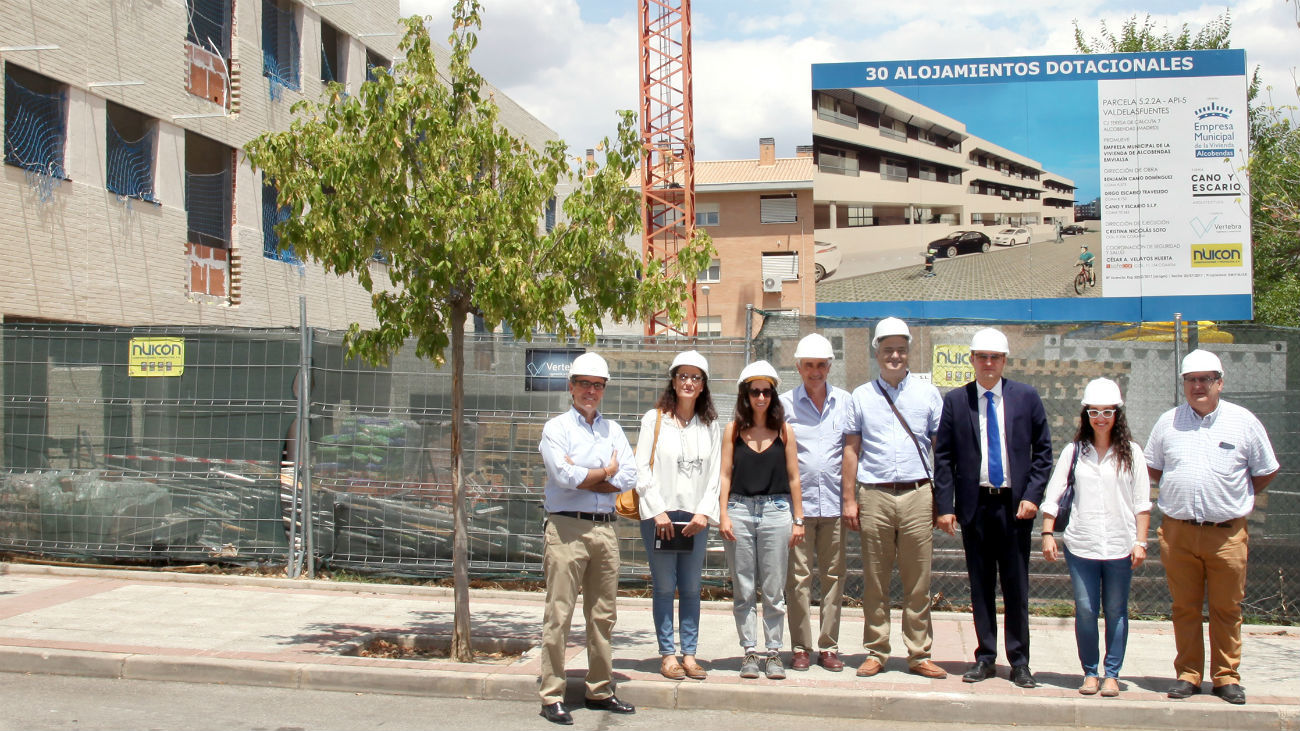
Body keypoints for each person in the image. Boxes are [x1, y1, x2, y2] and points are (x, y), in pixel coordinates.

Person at [1146, 349, 1278, 705]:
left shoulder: (1244, 422)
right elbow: (1153, 468)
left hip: (1227, 535)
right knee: (1184, 607)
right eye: (1191, 380)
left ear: (1220, 382)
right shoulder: (1168, 422)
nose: (1198, 386)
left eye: (1206, 379)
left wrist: (1234, 498)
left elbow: (1266, 470)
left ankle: (1226, 677)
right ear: (1184, 384)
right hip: (1179, 532)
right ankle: (1188, 674)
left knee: (1227, 608)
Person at [933, 327, 1052, 688]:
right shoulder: (956, 401)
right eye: (982, 356)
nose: (988, 363)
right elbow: (944, 457)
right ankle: (985, 657)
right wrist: (945, 506)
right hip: (976, 507)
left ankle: (1019, 661)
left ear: (1004, 361)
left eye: (995, 357)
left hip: (1015, 508)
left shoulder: (1026, 397)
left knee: (1016, 587)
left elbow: (1043, 453)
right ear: (972, 360)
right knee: (980, 586)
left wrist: (1032, 496)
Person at [842, 317, 947, 679]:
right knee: (875, 576)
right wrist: (849, 500)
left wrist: (941, 500)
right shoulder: (861, 396)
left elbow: (939, 450)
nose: (895, 356)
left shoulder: (927, 394)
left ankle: (919, 653)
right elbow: (852, 450)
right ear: (876, 352)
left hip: (919, 493)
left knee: (919, 578)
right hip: (875, 495)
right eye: (888, 349)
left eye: (901, 349)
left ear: (909, 352)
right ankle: (876, 650)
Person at [536, 352, 637, 725]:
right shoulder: (557, 428)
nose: (591, 391)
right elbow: (564, 476)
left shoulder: (614, 429)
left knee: (603, 615)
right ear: (571, 386)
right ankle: (552, 694)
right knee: (559, 613)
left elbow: (628, 475)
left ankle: (600, 689)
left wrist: (596, 474)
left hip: (604, 528)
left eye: (598, 385)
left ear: (604, 389)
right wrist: (604, 471)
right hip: (566, 528)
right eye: (584, 384)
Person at [1040, 378, 1151, 697]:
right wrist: (1047, 532)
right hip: (1081, 545)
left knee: (1116, 611)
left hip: (1120, 545)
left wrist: (1140, 542)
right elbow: (1054, 493)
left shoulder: (1132, 453)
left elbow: (1143, 502)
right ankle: (1090, 673)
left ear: (1117, 414)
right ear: (1085, 415)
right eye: (1093, 412)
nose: (1100, 418)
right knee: (1086, 610)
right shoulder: (1074, 452)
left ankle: (1112, 674)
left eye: (1107, 412)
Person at [634, 350, 722, 682]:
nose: (688, 382)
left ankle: (690, 654)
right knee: (663, 586)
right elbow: (640, 468)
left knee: (690, 586)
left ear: (703, 385)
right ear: (673, 381)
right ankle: (667, 655)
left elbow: (715, 475)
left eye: (695, 377)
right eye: (682, 376)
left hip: (695, 519)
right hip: (660, 517)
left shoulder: (711, 425)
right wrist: (657, 511)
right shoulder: (653, 419)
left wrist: (704, 513)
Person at [720, 360, 805, 680]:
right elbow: (725, 474)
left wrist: (799, 519)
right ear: (745, 394)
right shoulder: (733, 430)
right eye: (755, 391)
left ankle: (773, 652)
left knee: (773, 588)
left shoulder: (784, 430)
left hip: (776, 512)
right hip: (740, 511)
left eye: (766, 392)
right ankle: (749, 652)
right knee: (743, 586)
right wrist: (724, 514)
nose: (760, 397)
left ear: (773, 395)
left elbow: (795, 477)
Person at [780, 334, 851, 672]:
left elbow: (853, 452)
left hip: (835, 506)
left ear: (830, 367)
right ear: (798, 367)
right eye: (809, 365)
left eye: (821, 365)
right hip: (800, 508)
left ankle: (829, 646)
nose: (815, 371)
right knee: (798, 578)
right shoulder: (784, 405)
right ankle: (800, 647)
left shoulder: (846, 402)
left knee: (835, 575)